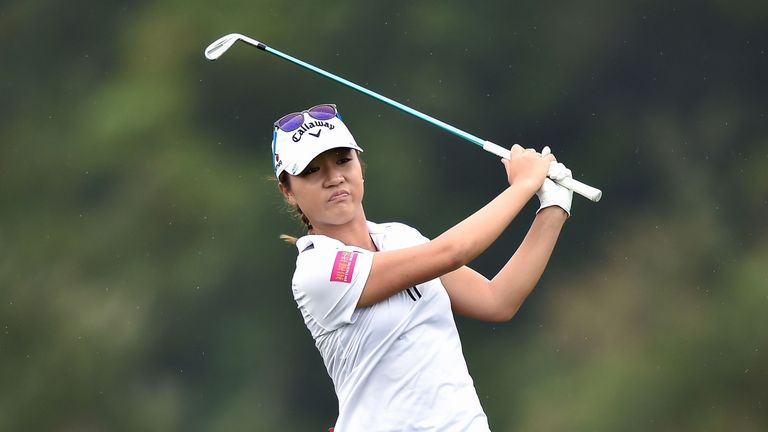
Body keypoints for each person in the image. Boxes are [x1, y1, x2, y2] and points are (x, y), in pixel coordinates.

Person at [271, 103, 573, 431]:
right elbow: (453, 252)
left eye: (343, 160)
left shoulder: (401, 237)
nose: (334, 178)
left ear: (360, 165)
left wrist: (553, 207)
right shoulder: (318, 270)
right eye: (312, 170)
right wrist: (523, 186)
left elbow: (496, 299)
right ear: (288, 191)